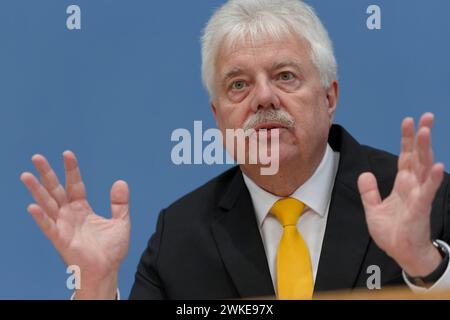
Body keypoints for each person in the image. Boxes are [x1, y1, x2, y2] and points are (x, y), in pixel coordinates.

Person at [20, 0, 450, 300]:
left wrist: (425, 267)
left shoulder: (419, 202)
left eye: (284, 75)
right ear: (217, 115)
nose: (262, 99)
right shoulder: (180, 238)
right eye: (238, 85)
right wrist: (94, 284)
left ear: (330, 97)